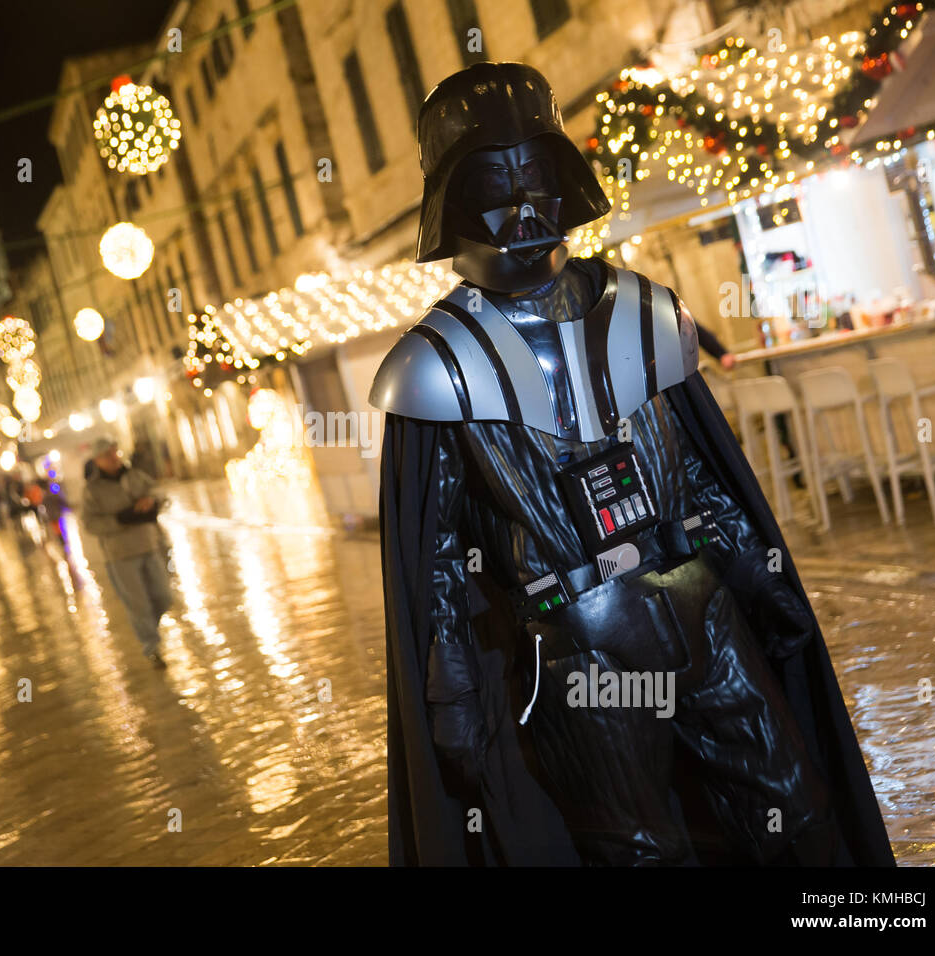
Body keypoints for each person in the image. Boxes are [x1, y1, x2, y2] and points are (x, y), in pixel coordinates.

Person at [371, 61, 893, 866]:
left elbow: (703, 479)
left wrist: (759, 574)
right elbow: (435, 555)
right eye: (495, 188)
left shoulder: (647, 311)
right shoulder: (434, 369)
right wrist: (454, 689)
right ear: (454, 203)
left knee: (796, 810)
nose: (524, 210)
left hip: (700, 606)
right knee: (639, 850)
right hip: (577, 641)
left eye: (538, 179)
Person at [80, 438, 172, 668]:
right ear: (97, 461)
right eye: (106, 455)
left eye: (114, 452)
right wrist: (121, 519)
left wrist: (152, 500)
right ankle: (151, 647)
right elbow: (90, 524)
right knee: (138, 605)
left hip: (149, 545)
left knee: (164, 596)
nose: (113, 458)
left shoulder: (136, 476)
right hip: (120, 555)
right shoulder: (92, 490)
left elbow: (159, 492)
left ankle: (150, 627)